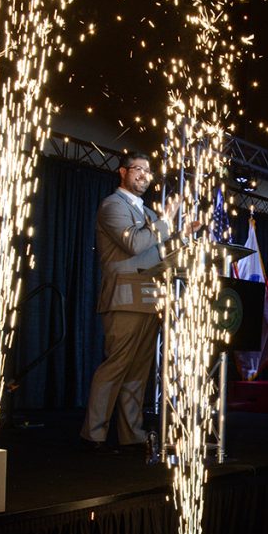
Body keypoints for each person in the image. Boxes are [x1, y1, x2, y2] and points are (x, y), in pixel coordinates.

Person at [81, 151, 171, 450]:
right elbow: (134, 243)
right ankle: (94, 432)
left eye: (148, 171)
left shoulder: (151, 215)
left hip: (150, 299)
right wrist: (165, 224)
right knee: (116, 366)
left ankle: (131, 433)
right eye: (138, 169)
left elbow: (161, 251)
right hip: (124, 297)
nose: (145, 175)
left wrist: (184, 236)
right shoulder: (112, 205)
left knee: (138, 370)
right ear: (123, 172)